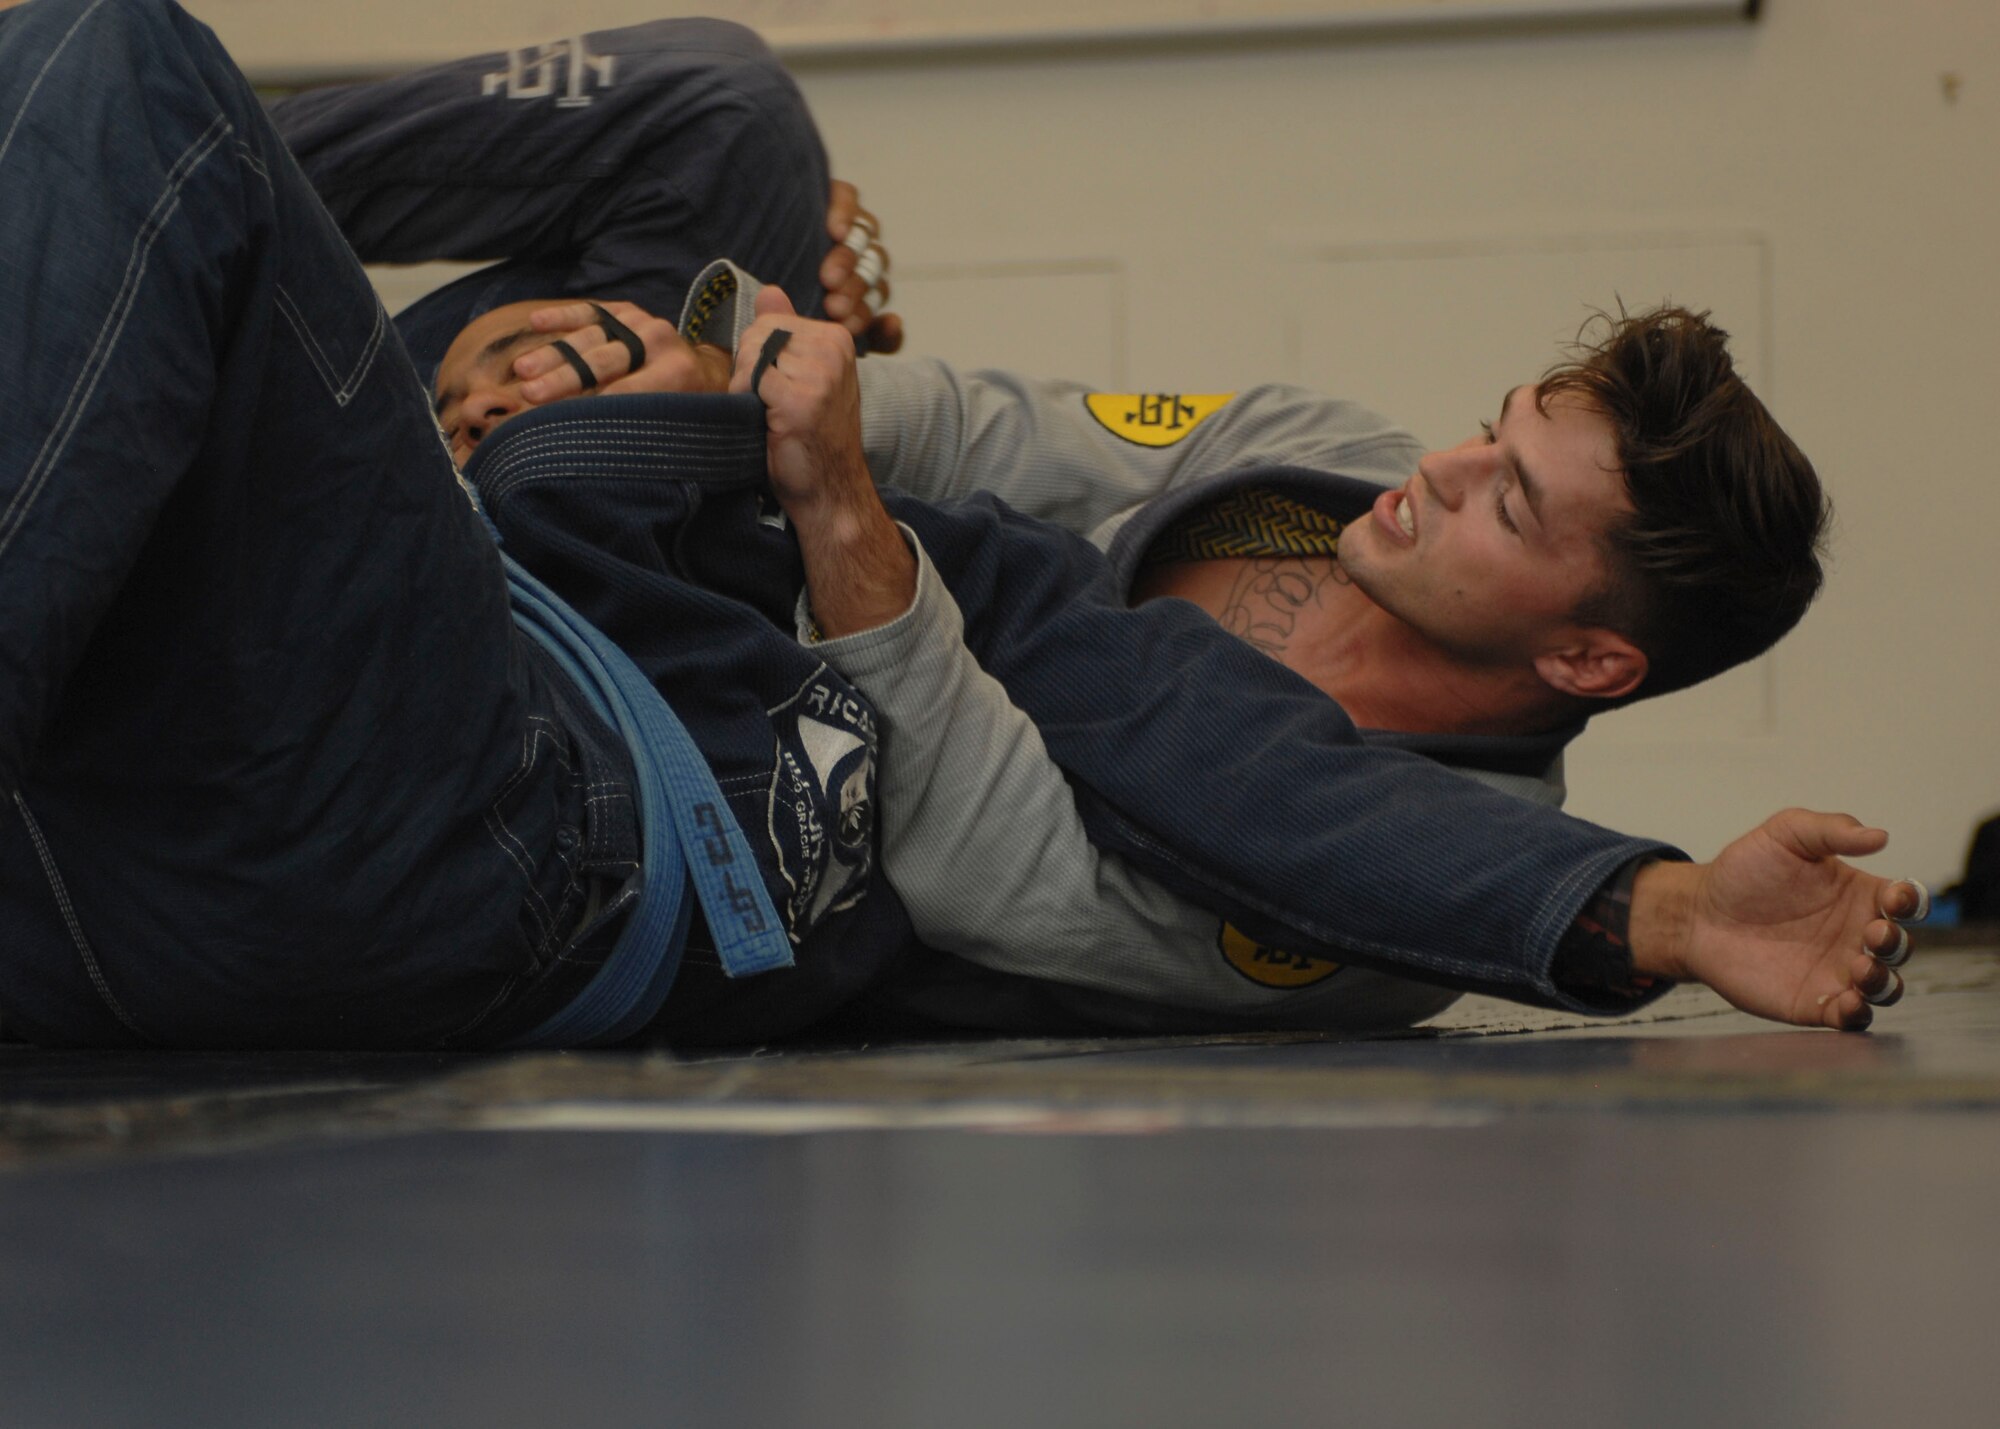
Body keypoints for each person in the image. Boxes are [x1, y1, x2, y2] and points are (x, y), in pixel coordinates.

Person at [0, 0, 1921, 1055]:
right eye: (1494, 428)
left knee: (122, 65)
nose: (1442, 471)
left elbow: (993, 854)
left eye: (1512, 500)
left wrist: (1660, 908)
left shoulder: (1378, 878)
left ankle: (133, 204)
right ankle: (122, 231)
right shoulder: (1311, 469)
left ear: (1588, 656)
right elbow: (980, 422)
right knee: (723, 111)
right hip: (612, 596)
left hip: (626, 785)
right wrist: (684, 363)